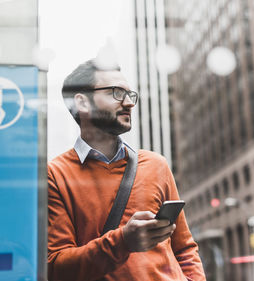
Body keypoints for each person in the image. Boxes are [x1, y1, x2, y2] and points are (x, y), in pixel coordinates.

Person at [47, 59, 206, 281]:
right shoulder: (55, 174)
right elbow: (56, 268)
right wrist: (122, 242)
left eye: (130, 95)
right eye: (116, 93)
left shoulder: (156, 164)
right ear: (82, 103)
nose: (129, 103)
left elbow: (185, 249)